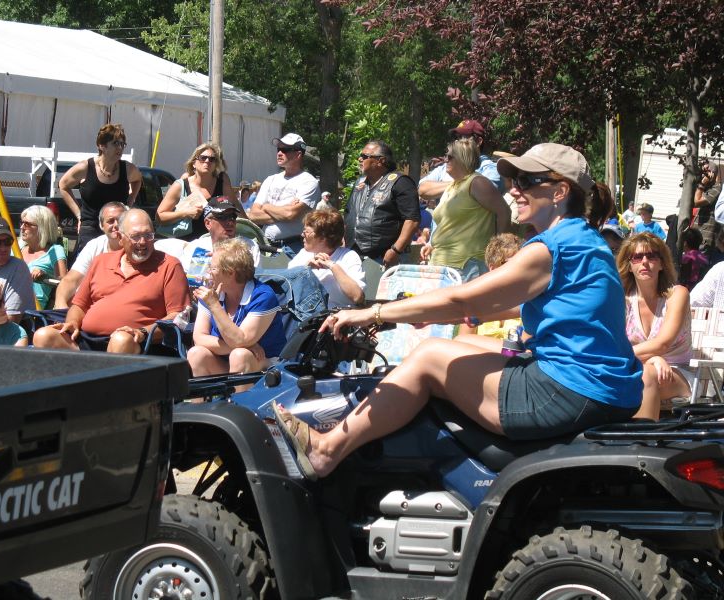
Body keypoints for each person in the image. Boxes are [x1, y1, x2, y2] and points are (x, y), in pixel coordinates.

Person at [273, 143, 642, 480]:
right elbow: (512, 303)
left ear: (560, 192)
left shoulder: (551, 247)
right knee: (473, 348)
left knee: (430, 356)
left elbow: (464, 299)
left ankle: (326, 449)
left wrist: (375, 313)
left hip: (567, 388)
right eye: (514, 179)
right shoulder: (586, 240)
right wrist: (431, 314)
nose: (514, 188)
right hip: (602, 389)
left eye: (528, 180)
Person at [32, 209, 190, 354]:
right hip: (87, 340)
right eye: (135, 236)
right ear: (120, 238)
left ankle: (100, 381)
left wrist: (142, 332)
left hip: (137, 344)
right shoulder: (101, 261)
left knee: (121, 340)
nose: (143, 242)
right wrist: (72, 322)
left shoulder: (169, 265)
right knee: (44, 335)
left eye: (148, 235)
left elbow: (178, 317)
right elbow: (80, 305)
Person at [617, 233, 691, 420]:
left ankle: (642, 442)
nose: (644, 262)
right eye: (637, 257)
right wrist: (652, 360)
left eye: (651, 256)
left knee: (645, 375)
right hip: (635, 366)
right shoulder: (622, 299)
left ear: (662, 263)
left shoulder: (677, 295)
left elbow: (662, 344)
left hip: (677, 372)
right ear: (629, 265)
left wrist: (652, 359)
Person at [187, 238, 286, 378]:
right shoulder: (212, 292)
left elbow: (240, 340)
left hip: (264, 364)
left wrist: (215, 305)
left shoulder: (263, 296)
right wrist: (243, 345)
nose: (208, 272)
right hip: (226, 360)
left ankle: (238, 400)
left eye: (213, 268)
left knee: (240, 355)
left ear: (230, 273)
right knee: (196, 353)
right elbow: (199, 338)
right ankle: (203, 401)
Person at [419, 138, 511, 281]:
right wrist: (432, 245)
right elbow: (448, 224)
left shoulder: (477, 183)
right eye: (445, 156)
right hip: (443, 263)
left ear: (463, 158)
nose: (445, 160)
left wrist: (498, 250)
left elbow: (504, 212)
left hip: (468, 266)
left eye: (449, 157)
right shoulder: (452, 185)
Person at [59, 123, 143, 256]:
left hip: (117, 226)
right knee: (88, 267)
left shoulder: (127, 168)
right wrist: (79, 215)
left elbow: (138, 179)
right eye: (115, 143)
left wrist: (130, 202)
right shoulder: (86, 167)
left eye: (122, 144)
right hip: (90, 225)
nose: (120, 148)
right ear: (101, 146)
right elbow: (63, 185)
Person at [343, 140, 420, 268]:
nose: (359, 159)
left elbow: (412, 220)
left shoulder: (400, 182)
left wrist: (395, 250)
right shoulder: (359, 183)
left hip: (384, 257)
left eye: (365, 156)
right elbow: (348, 213)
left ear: (381, 161)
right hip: (354, 254)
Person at [156, 199, 261, 283]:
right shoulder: (197, 248)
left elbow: (250, 280)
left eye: (232, 217)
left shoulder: (249, 246)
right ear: (208, 223)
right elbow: (192, 284)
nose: (230, 222)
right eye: (223, 217)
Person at [247, 133, 319, 253]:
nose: (279, 153)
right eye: (279, 149)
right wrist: (283, 211)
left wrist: (266, 207)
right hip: (264, 245)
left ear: (298, 154)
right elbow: (253, 215)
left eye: (285, 150)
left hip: (292, 247)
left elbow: (290, 214)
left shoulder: (309, 182)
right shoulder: (270, 179)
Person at [156, 143, 242, 240]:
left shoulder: (222, 182)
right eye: (203, 158)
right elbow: (159, 216)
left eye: (212, 159)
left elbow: (235, 205)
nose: (207, 161)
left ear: (215, 165)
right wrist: (186, 213)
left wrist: (251, 228)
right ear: (194, 163)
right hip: (187, 245)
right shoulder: (181, 185)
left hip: (215, 244)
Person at [54, 202, 127, 308]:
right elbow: (71, 280)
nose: (116, 224)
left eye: (120, 220)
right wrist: (61, 305)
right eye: (110, 221)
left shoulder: (136, 248)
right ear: (102, 225)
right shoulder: (94, 245)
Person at [288, 210, 365, 308]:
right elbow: (287, 286)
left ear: (322, 238)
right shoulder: (304, 254)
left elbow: (357, 297)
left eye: (306, 232)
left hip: (337, 316)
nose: (302, 235)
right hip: (305, 315)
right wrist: (305, 268)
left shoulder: (349, 257)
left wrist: (333, 266)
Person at [418, 119, 505, 202]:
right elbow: (422, 189)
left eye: (463, 137)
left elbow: (485, 195)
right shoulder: (447, 166)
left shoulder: (490, 169)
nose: (457, 141)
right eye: (457, 137)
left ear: (478, 141)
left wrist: (440, 188)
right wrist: (461, 185)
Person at [457, 233, 523, 337]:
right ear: (493, 268)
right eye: (509, 263)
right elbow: (462, 340)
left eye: (521, 264)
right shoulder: (476, 302)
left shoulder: (530, 301)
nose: (517, 269)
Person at [19, 205, 67, 307]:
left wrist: (45, 275)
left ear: (42, 227)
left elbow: (64, 282)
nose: (22, 227)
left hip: (33, 309)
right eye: (22, 223)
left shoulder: (54, 250)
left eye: (27, 224)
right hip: (8, 301)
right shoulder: (17, 247)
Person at [694, 160, 721, 256]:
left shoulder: (717, 188)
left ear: (712, 174)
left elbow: (696, 202)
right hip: (697, 233)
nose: (702, 175)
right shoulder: (704, 187)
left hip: (705, 237)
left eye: (705, 172)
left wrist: (702, 184)